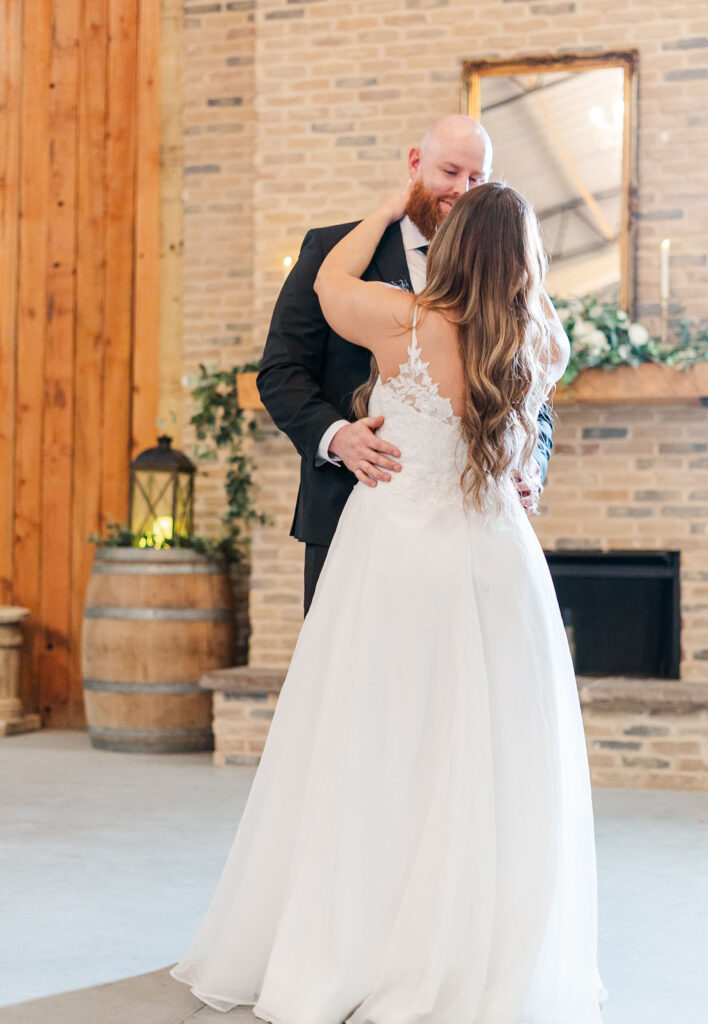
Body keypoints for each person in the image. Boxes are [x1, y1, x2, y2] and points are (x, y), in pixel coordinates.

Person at [170, 181, 608, 1021]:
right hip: (495, 565)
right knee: (483, 756)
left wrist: (386, 207)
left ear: (450, 248)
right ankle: (467, 949)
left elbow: (330, 281)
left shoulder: (402, 320)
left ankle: (364, 939)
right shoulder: (542, 336)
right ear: (528, 257)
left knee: (378, 747)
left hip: (400, 560)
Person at [257, 114, 555, 613]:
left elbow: (534, 400)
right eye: (450, 171)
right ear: (415, 164)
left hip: (472, 530)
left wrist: (530, 461)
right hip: (352, 518)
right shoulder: (332, 247)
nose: (462, 189)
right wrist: (337, 436)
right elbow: (280, 371)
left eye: (477, 178)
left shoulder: (505, 283)